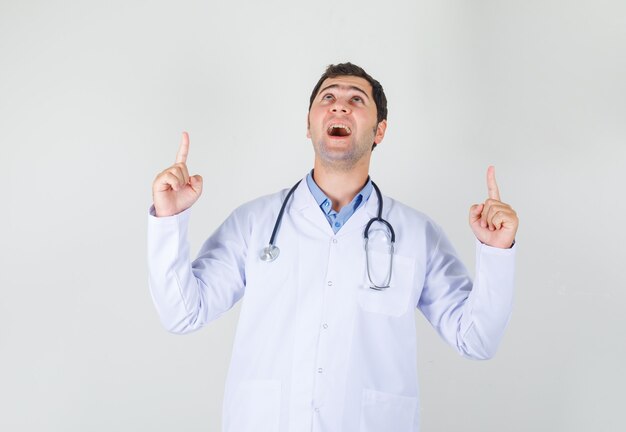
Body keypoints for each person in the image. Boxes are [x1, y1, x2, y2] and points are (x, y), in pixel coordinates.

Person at [147, 62, 519, 432]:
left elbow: (477, 340)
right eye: (328, 97)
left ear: (380, 131)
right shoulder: (254, 222)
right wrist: (169, 220)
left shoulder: (417, 234)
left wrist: (497, 252)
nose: (340, 105)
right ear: (308, 125)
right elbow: (183, 313)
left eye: (356, 99)